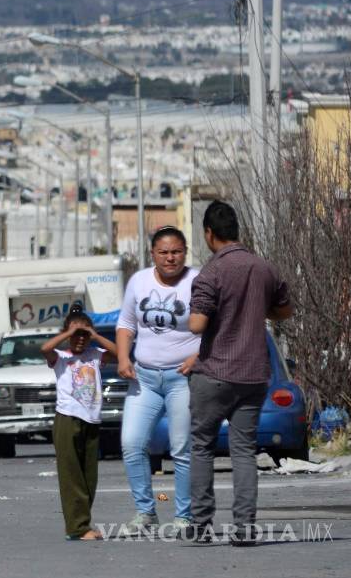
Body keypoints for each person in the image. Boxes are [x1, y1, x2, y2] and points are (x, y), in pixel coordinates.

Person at [186, 201, 293, 546]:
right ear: (237, 231)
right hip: (253, 375)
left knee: (201, 446)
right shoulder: (265, 268)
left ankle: (201, 524)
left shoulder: (210, 273)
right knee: (244, 451)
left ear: (209, 234)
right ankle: (244, 527)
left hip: (215, 371)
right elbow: (285, 310)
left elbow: (197, 324)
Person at [115, 226, 200, 535]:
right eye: (163, 252)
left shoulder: (197, 281)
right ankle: (145, 512)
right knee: (132, 443)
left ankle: (184, 515)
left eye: (176, 251)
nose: (170, 258)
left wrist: (198, 356)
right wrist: (124, 358)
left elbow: (216, 326)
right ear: (153, 254)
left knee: (181, 449)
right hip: (145, 379)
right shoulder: (138, 280)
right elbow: (126, 323)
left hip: (183, 378)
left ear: (185, 252)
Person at [41, 304, 118, 541]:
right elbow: (46, 348)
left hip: (91, 420)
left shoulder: (94, 355)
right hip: (67, 418)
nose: (80, 340)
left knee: (88, 476)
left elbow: (118, 352)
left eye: (84, 336)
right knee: (71, 474)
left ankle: (83, 522)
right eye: (76, 336)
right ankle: (77, 527)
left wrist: (92, 334)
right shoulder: (62, 357)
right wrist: (70, 332)